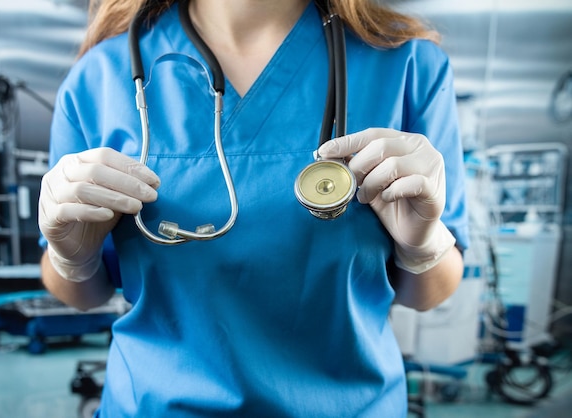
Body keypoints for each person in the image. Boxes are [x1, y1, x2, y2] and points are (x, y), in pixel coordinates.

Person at [38, 0, 469, 416]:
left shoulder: (407, 65)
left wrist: (423, 244)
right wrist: (71, 256)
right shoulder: (99, 78)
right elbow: (84, 293)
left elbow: (430, 292)